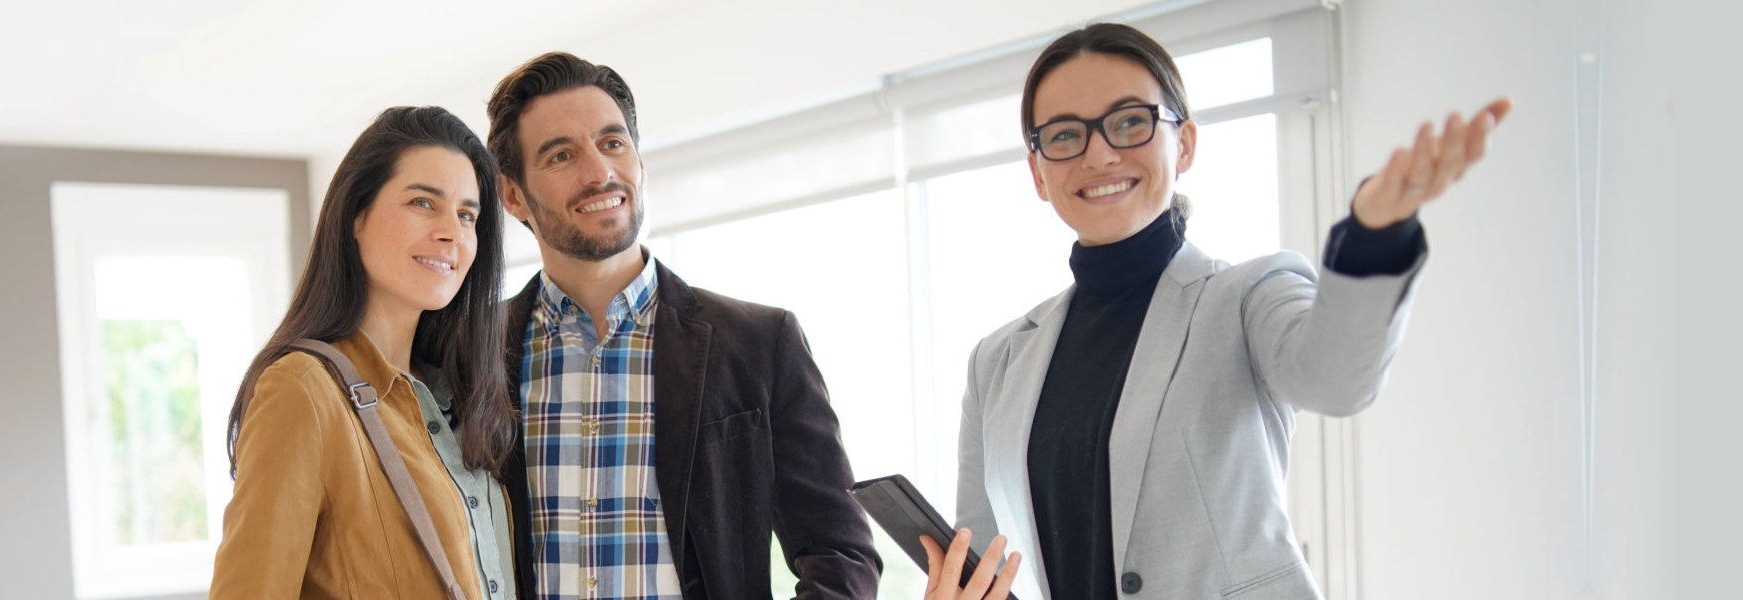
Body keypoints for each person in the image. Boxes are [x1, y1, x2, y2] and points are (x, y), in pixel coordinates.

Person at [954, 23, 1511, 599]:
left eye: (1129, 122)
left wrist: (1373, 237)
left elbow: (1337, 380)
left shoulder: (1249, 295)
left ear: (1185, 143)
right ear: (1039, 172)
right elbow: (982, 561)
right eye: (1065, 135)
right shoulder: (996, 363)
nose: (1100, 152)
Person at [484, 52, 881, 599]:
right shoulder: (469, 354)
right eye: (560, 155)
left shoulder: (760, 342)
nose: (599, 171)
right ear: (512, 195)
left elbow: (840, 553)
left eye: (613, 143)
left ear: (640, 162)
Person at [211, 106, 520, 599]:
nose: (452, 232)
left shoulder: (458, 397)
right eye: (423, 202)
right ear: (357, 214)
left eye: (467, 215)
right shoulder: (303, 390)